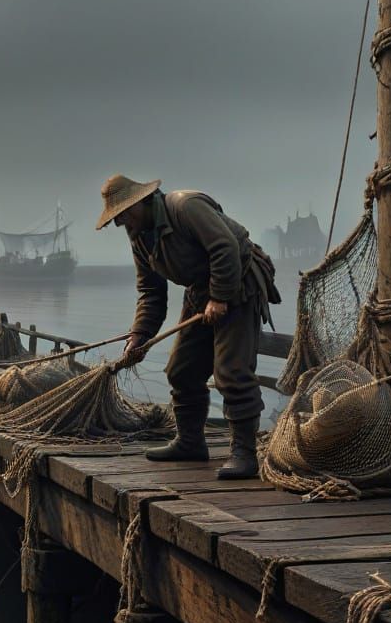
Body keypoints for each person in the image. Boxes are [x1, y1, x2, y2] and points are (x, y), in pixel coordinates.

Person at [96, 175, 279, 480]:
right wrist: (140, 335)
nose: (119, 223)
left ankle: (244, 454)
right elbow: (151, 293)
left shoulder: (185, 206)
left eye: (123, 214)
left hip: (239, 281)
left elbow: (225, 248)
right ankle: (190, 442)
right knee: (181, 369)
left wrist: (220, 297)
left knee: (231, 370)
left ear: (142, 201)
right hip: (200, 292)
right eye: (115, 218)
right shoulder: (140, 237)